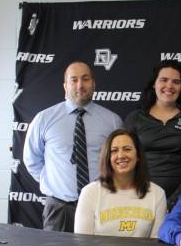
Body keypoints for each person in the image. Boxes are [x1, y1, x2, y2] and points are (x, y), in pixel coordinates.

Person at [23, 61, 123, 232]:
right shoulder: (44, 119)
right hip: (58, 209)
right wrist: (54, 183)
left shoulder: (112, 121)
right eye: (74, 80)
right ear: (65, 85)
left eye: (85, 79)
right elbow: (32, 159)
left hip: (101, 207)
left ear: (93, 83)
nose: (80, 85)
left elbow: (119, 164)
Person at [124, 61, 181, 208]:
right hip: (140, 199)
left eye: (175, 82)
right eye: (163, 80)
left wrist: (174, 201)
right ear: (154, 84)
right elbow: (125, 160)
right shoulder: (135, 118)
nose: (169, 86)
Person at [74, 129, 166, 237]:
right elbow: (83, 244)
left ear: (138, 156)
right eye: (114, 151)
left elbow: (156, 245)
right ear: (107, 157)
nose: (121, 155)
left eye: (127, 149)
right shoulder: (90, 192)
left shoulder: (157, 194)